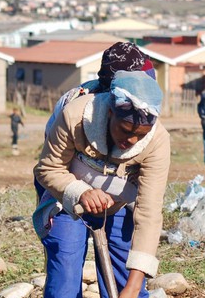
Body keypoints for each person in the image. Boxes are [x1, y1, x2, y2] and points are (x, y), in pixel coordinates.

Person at [32, 70, 170, 298]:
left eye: (138, 136)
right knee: (64, 284)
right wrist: (79, 192)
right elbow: (47, 169)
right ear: (109, 111)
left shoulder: (157, 142)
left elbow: (149, 214)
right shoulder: (76, 116)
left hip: (120, 202)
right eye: (124, 131)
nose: (130, 140)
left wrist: (135, 286)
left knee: (129, 293)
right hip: (66, 198)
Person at [37, 42, 156, 200]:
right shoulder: (75, 108)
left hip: (120, 191)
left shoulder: (146, 112)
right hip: (68, 181)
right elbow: (52, 164)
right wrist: (79, 192)